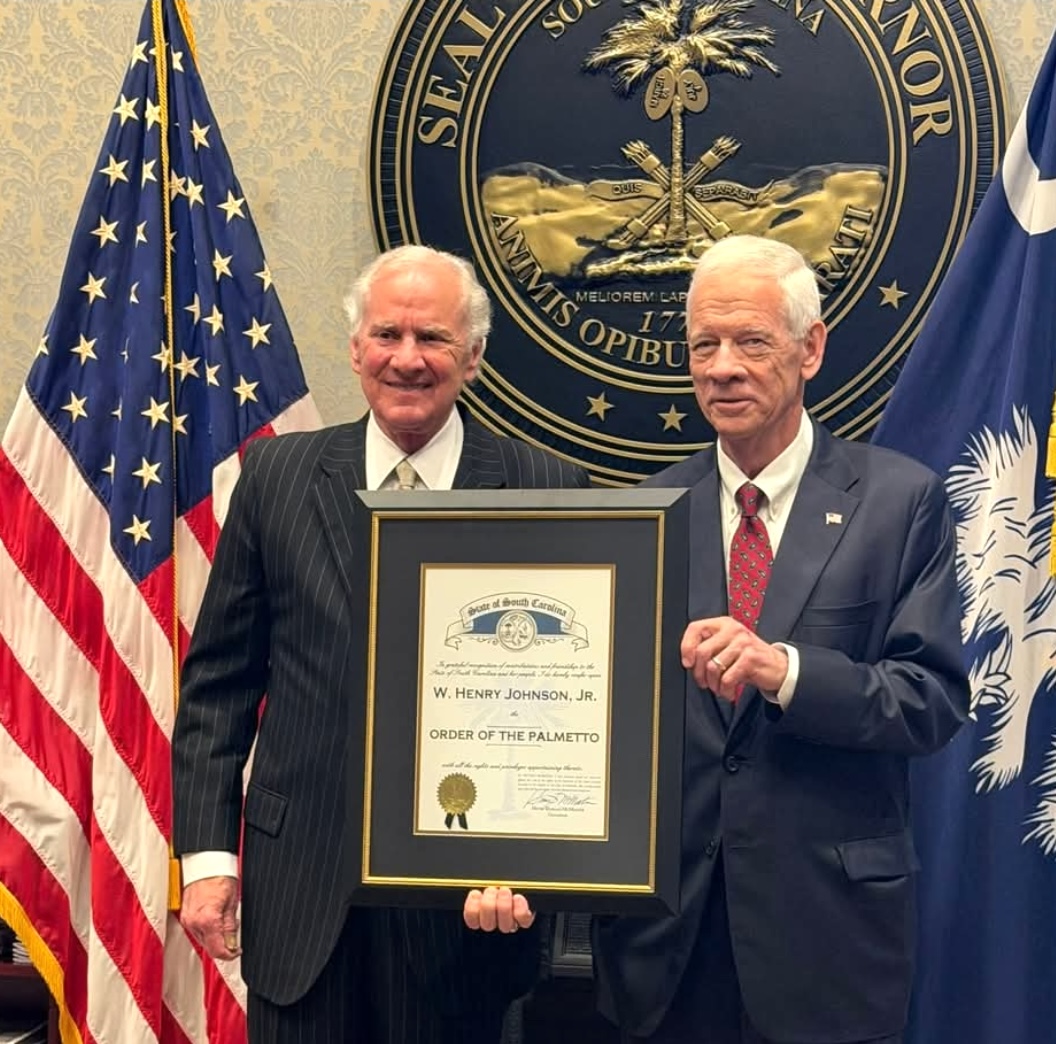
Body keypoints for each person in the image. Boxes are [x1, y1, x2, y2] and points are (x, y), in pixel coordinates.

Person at [464, 234, 971, 1044]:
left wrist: (788, 672)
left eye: (750, 341)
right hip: (665, 953)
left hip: (829, 943)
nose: (722, 366)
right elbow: (583, 726)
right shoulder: (645, 515)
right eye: (704, 344)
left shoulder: (899, 503)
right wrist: (513, 851)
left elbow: (933, 702)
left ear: (811, 349)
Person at [172, 243, 590, 1044]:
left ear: (472, 356)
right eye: (388, 335)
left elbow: (575, 701)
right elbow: (217, 687)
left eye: (432, 338)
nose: (407, 359)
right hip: (300, 893)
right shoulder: (276, 478)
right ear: (356, 347)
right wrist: (208, 861)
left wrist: (539, 865)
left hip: (469, 910)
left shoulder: (547, 488)